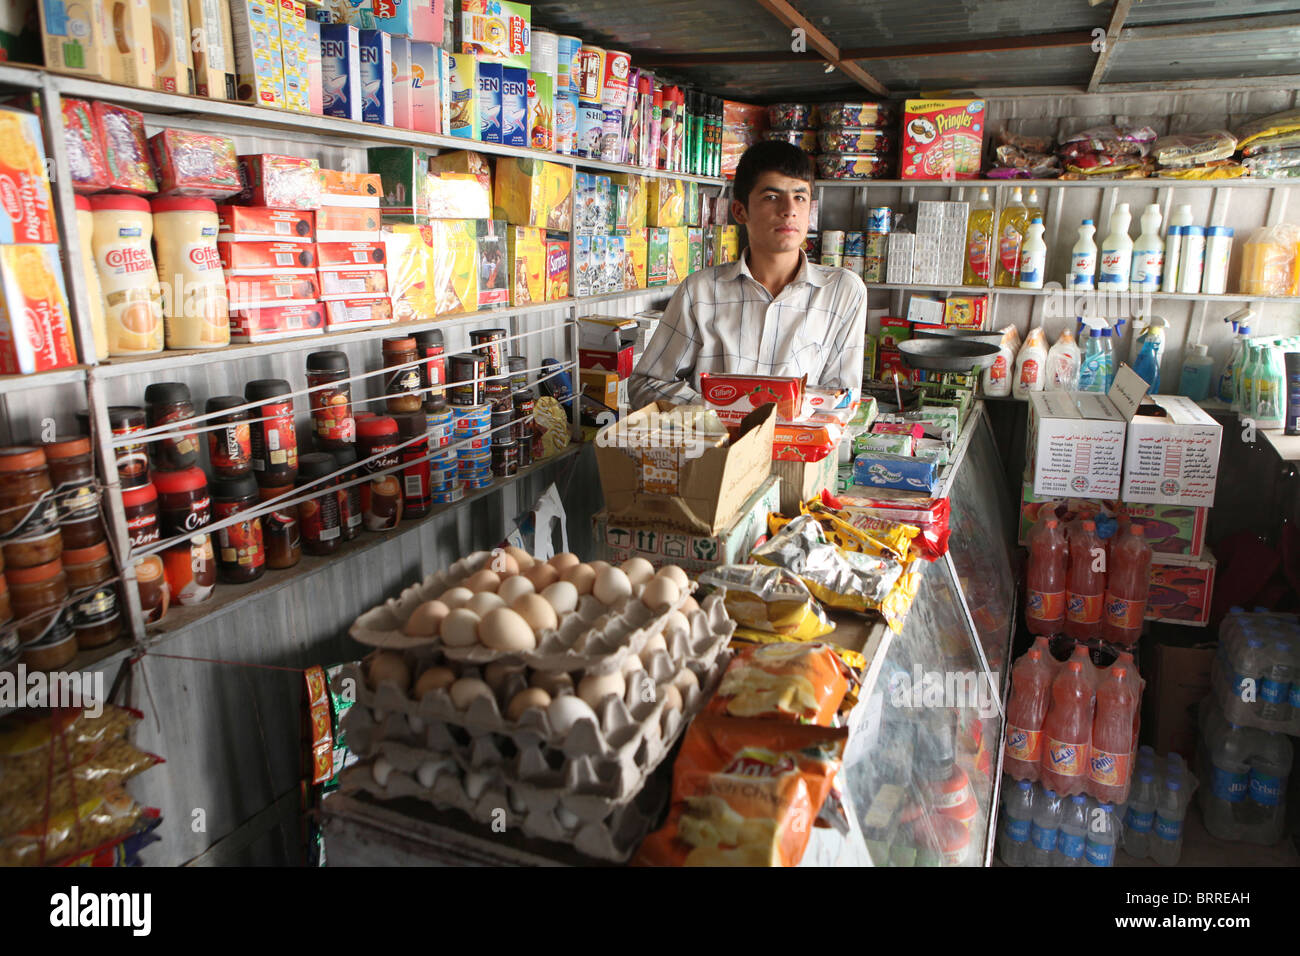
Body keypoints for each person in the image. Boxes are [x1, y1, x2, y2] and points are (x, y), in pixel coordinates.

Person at [628, 141, 867, 409]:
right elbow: (646, 384)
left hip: (796, 447)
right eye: (772, 197)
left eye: (800, 197)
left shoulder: (842, 291)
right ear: (740, 211)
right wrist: (718, 411)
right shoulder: (701, 291)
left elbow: (843, 397)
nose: (789, 209)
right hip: (718, 448)